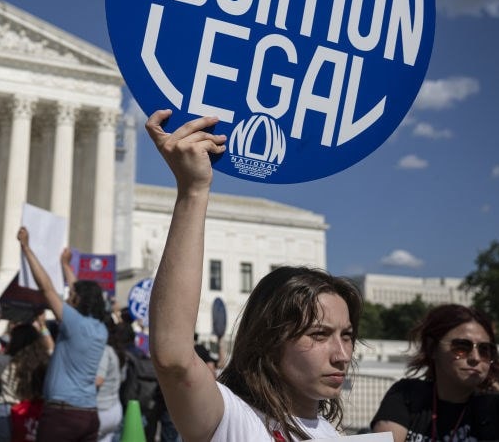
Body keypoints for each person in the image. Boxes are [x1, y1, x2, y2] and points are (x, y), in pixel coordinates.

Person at [145, 112, 362, 441]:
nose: (341, 355)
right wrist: (192, 192)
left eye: (346, 335)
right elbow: (174, 359)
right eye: (319, 334)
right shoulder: (233, 420)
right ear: (270, 340)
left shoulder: (333, 436)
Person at [371, 303, 499, 440]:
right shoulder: (406, 395)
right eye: (461, 347)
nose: (475, 358)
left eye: (485, 350)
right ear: (432, 348)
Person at [16, 226, 108, 441]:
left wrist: (27, 248)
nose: (67, 297)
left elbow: (46, 288)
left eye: (71, 295)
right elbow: (79, 290)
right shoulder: (100, 328)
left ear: (78, 301)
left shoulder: (74, 323)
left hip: (62, 415)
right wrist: (65, 265)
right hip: (88, 414)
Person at [0, 320, 51, 442]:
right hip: (30, 414)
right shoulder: (43, 365)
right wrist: (43, 325)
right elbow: (51, 347)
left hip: (6, 412)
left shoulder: (3, 361)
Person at [95, 317, 123, 442]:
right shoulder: (115, 350)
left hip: (102, 410)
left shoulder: (104, 350)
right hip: (113, 408)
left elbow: (98, 380)